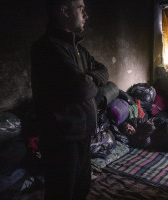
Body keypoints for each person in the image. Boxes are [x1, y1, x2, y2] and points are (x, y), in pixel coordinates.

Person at [30, 0, 109, 199]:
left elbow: (104, 70)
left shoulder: (79, 50)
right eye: (81, 8)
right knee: (62, 193)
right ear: (64, 11)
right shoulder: (47, 48)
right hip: (62, 140)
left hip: (82, 135)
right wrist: (89, 80)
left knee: (81, 189)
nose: (86, 14)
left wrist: (90, 78)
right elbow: (82, 88)